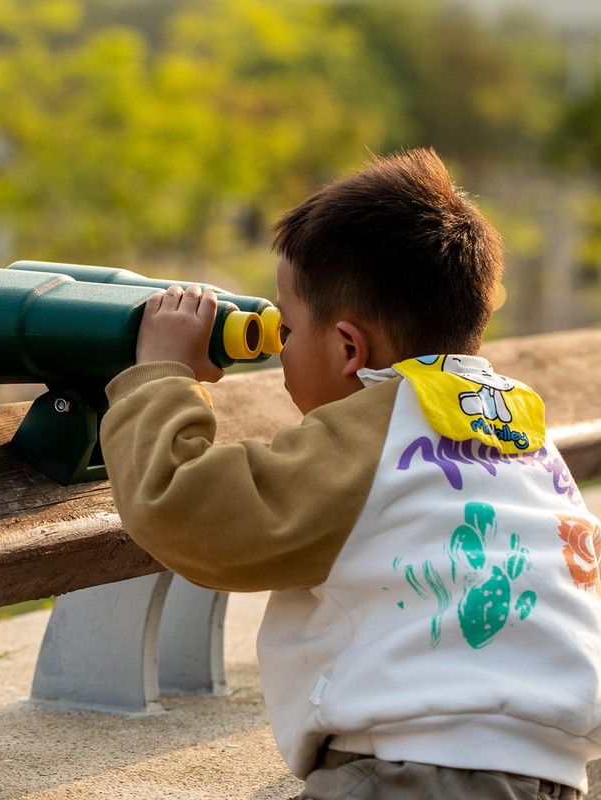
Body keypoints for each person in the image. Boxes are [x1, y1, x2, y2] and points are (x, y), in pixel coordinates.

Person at [99, 148, 601, 799]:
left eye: (286, 329)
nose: (280, 348)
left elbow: (179, 506)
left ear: (347, 347)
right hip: (553, 766)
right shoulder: (513, 424)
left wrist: (162, 375)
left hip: (420, 770)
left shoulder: (375, 431)